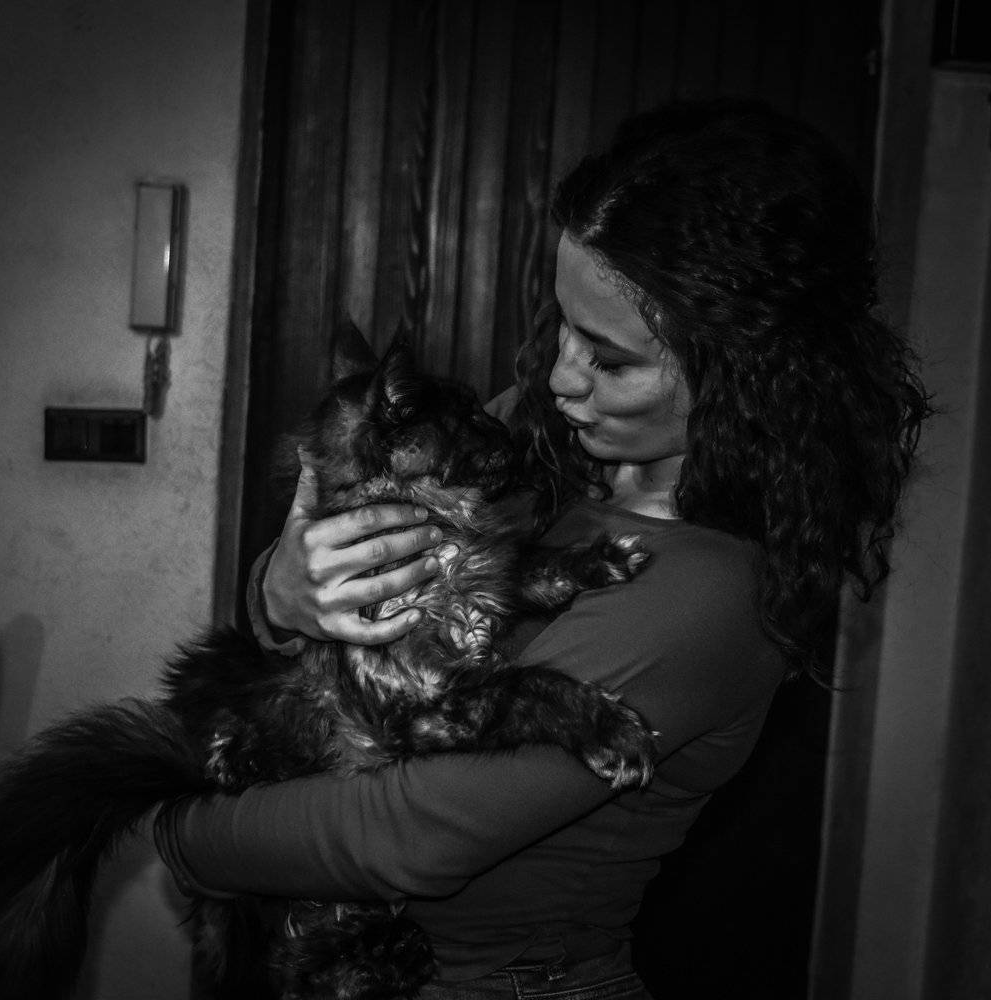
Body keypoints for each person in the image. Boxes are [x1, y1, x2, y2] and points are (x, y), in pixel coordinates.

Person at [156, 98, 929, 999]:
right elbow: (341, 577)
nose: (561, 375)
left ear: (744, 375)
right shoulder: (548, 437)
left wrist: (175, 831)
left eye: (610, 359)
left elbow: (407, 836)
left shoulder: (708, 591)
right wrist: (280, 595)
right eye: (563, 324)